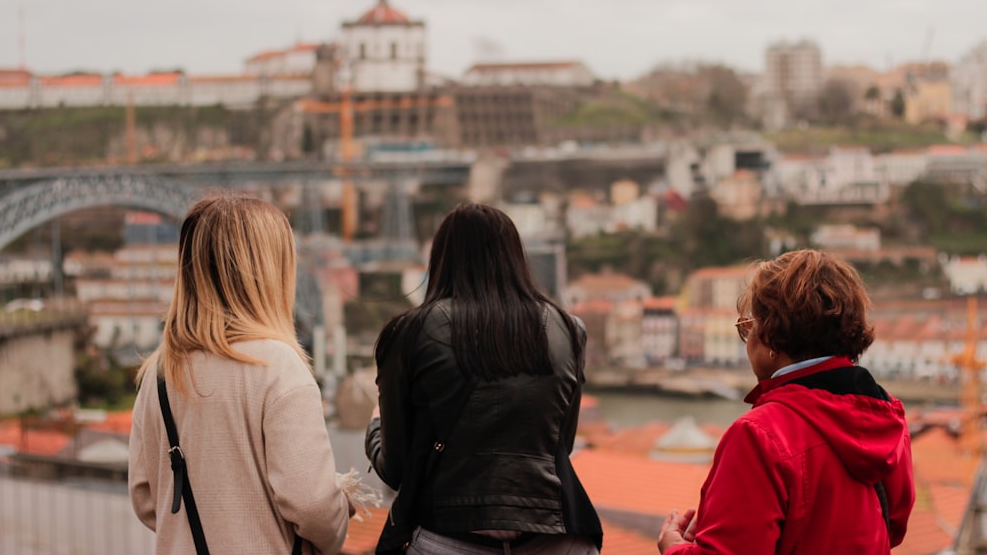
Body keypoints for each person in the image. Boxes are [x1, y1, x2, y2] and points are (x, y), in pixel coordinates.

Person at [365, 202, 603, 554]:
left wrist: (374, 427)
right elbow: (559, 447)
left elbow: (398, 469)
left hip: (448, 536)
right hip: (555, 537)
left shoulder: (410, 333)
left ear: (441, 259)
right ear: (516, 259)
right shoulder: (568, 330)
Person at [129, 195, 351, 554]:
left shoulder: (159, 373)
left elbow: (146, 498)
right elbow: (313, 507)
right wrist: (341, 511)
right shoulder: (279, 368)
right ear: (270, 271)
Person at [658, 248, 915, 555]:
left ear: (770, 337)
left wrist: (674, 548)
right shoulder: (886, 416)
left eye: (747, 327)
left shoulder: (759, 435)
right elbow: (894, 528)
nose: (747, 340)